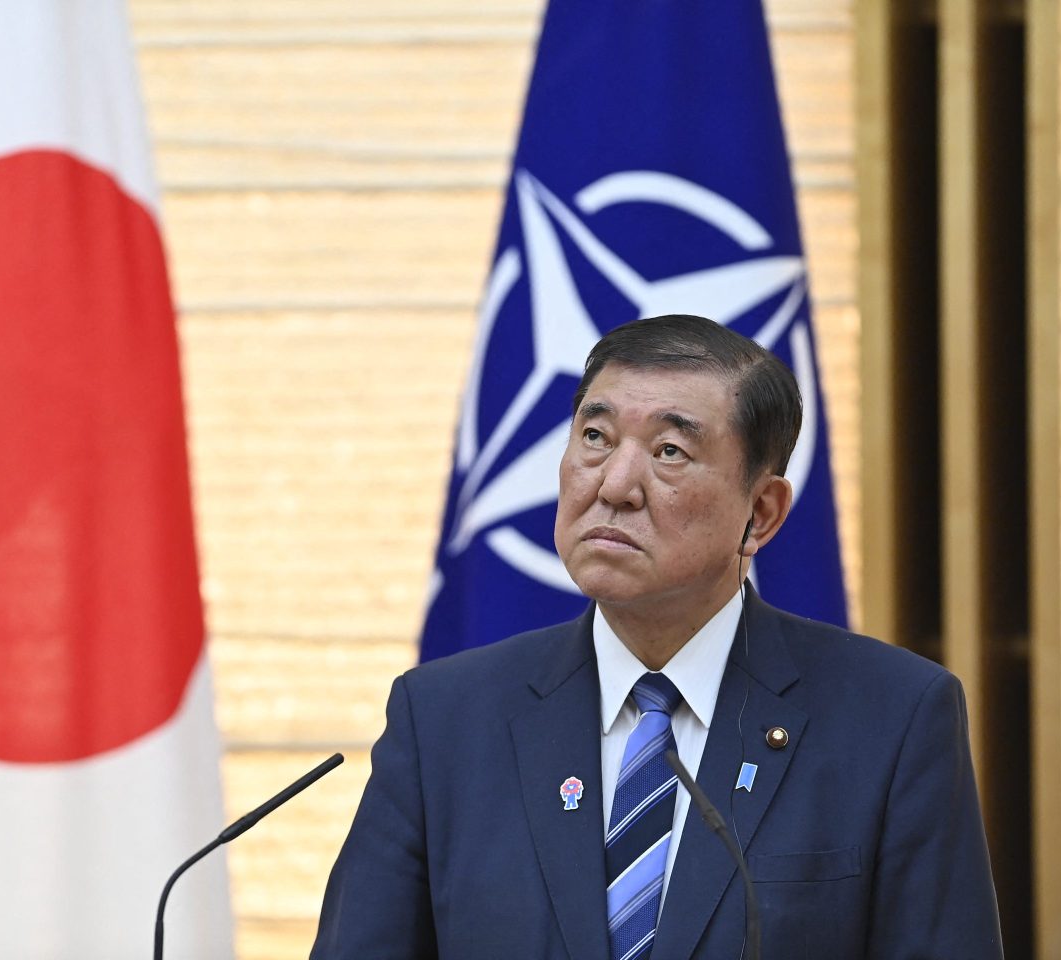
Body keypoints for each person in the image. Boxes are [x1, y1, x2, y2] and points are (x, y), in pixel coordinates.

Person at [311, 314, 1002, 959]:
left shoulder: (893, 718)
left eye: (669, 451)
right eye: (595, 438)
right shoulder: (444, 720)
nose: (614, 485)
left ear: (760, 514)